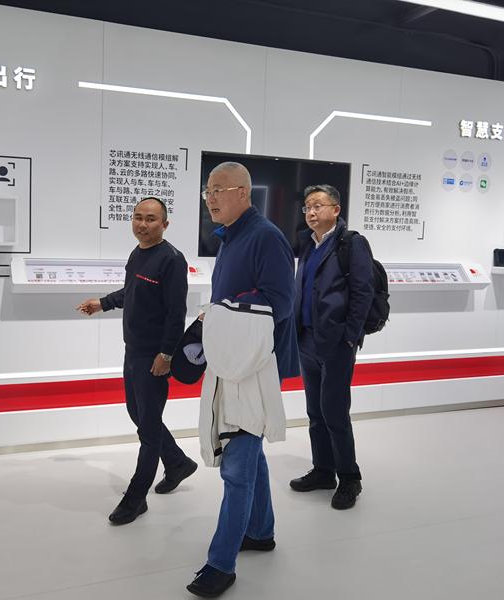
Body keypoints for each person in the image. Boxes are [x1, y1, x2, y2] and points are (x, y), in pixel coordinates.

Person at [186, 162, 298, 598]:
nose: (211, 198)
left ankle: (221, 564)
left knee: (236, 466)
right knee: (248, 451)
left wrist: (223, 313)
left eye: (219, 190)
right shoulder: (232, 236)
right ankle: (261, 531)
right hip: (232, 359)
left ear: (243, 193)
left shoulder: (265, 237)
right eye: (207, 191)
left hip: (252, 366)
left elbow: (279, 302)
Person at [77, 197, 197, 526]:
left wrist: (166, 354)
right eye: (138, 217)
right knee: (138, 414)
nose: (142, 224)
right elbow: (131, 292)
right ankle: (177, 463)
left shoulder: (172, 260)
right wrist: (102, 303)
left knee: (148, 427)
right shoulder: (137, 254)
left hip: (153, 354)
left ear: (165, 224)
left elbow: (176, 312)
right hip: (133, 349)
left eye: (151, 219)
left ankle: (136, 496)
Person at [289, 184, 374, 510]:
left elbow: (363, 292)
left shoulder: (350, 243)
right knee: (315, 412)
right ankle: (323, 470)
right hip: (307, 340)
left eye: (318, 206)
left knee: (335, 412)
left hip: (336, 343)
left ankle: (349, 477)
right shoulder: (308, 244)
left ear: (336, 210)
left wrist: (350, 336)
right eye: (307, 207)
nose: (311, 212)